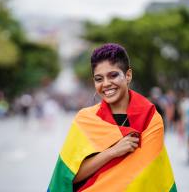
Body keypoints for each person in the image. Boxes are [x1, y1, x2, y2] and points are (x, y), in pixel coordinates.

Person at [48, 43, 176, 192]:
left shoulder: (150, 119)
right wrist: (112, 152)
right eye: (99, 79)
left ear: (128, 75)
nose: (106, 84)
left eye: (113, 75)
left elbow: (153, 175)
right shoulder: (85, 120)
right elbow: (68, 177)